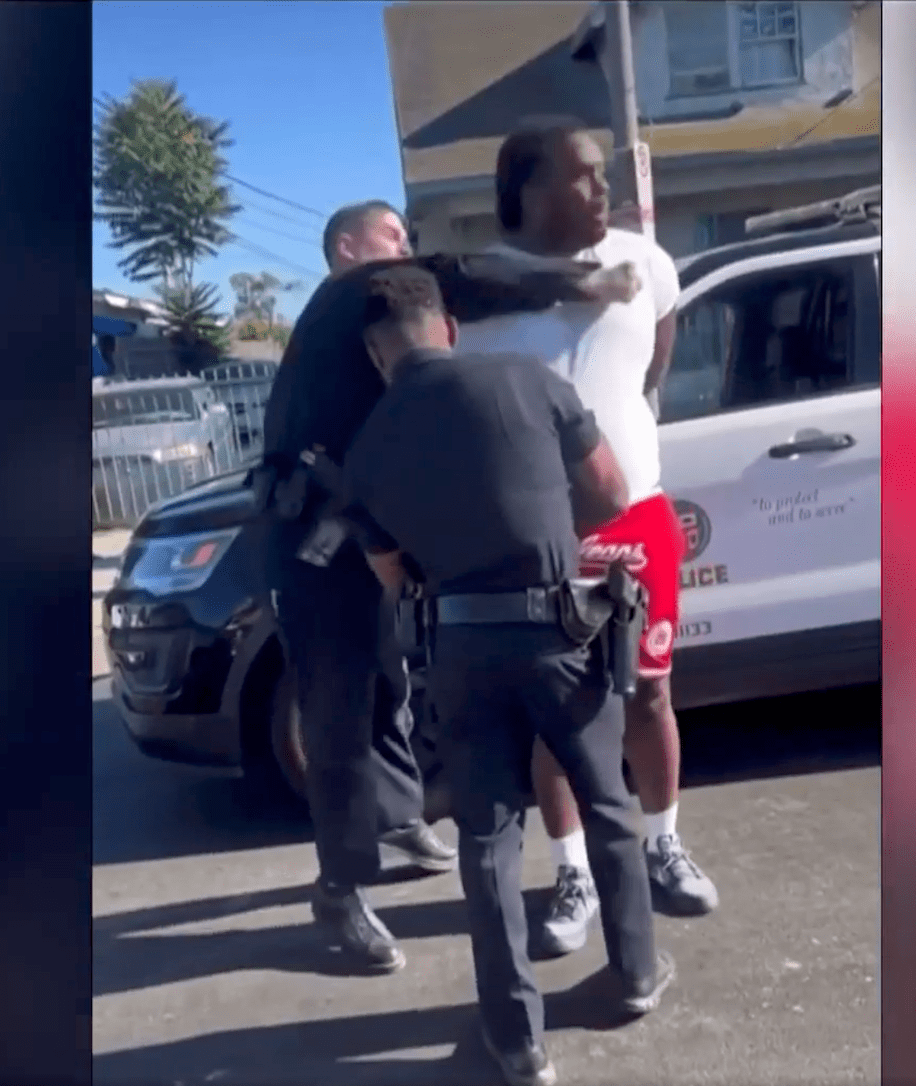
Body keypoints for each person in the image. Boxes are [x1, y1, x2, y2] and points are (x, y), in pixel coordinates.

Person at [261, 200, 648, 975]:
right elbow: (452, 278)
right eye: (392, 237)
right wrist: (582, 281)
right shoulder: (348, 294)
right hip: (316, 539)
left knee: (387, 680)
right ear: (349, 249)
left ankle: (397, 816)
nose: (406, 246)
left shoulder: (355, 334)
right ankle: (340, 891)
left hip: (366, 521)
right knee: (336, 713)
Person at [343, 265, 675, 1086]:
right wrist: (545, 535)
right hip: (561, 632)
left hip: (457, 650)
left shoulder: (366, 447)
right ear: (447, 327)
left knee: (486, 837)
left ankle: (517, 1041)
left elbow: (394, 580)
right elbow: (610, 491)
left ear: (375, 355)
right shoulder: (529, 380)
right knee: (604, 799)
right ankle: (634, 974)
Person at [454, 119, 720, 959]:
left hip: (638, 516)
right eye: (581, 176)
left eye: (604, 173)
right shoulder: (477, 289)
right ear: (526, 191)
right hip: (541, 537)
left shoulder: (648, 264)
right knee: (559, 720)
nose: (602, 190)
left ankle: (663, 844)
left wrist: (623, 448)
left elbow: (651, 373)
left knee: (647, 694)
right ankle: (572, 874)